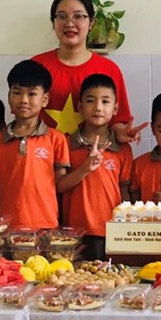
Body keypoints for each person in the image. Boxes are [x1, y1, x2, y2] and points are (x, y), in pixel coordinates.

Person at [31, 0, 145, 144]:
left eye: (78, 16)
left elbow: (117, 120)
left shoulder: (108, 69)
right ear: (53, 22)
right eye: (62, 16)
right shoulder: (36, 66)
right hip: (44, 155)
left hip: (92, 156)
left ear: (91, 23)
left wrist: (121, 132)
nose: (69, 23)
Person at [0, 60, 70, 228]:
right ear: (9, 96)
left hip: (46, 225)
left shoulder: (56, 139)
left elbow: (61, 185)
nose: (23, 100)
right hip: (7, 227)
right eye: (17, 92)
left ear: (45, 99)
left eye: (32, 94)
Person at [58, 74, 134, 260]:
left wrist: (126, 229)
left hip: (111, 231)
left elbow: (125, 192)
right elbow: (59, 186)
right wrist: (85, 168)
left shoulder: (122, 149)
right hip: (73, 233)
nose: (98, 108)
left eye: (105, 101)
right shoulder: (66, 144)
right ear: (80, 107)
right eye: (90, 100)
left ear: (115, 109)